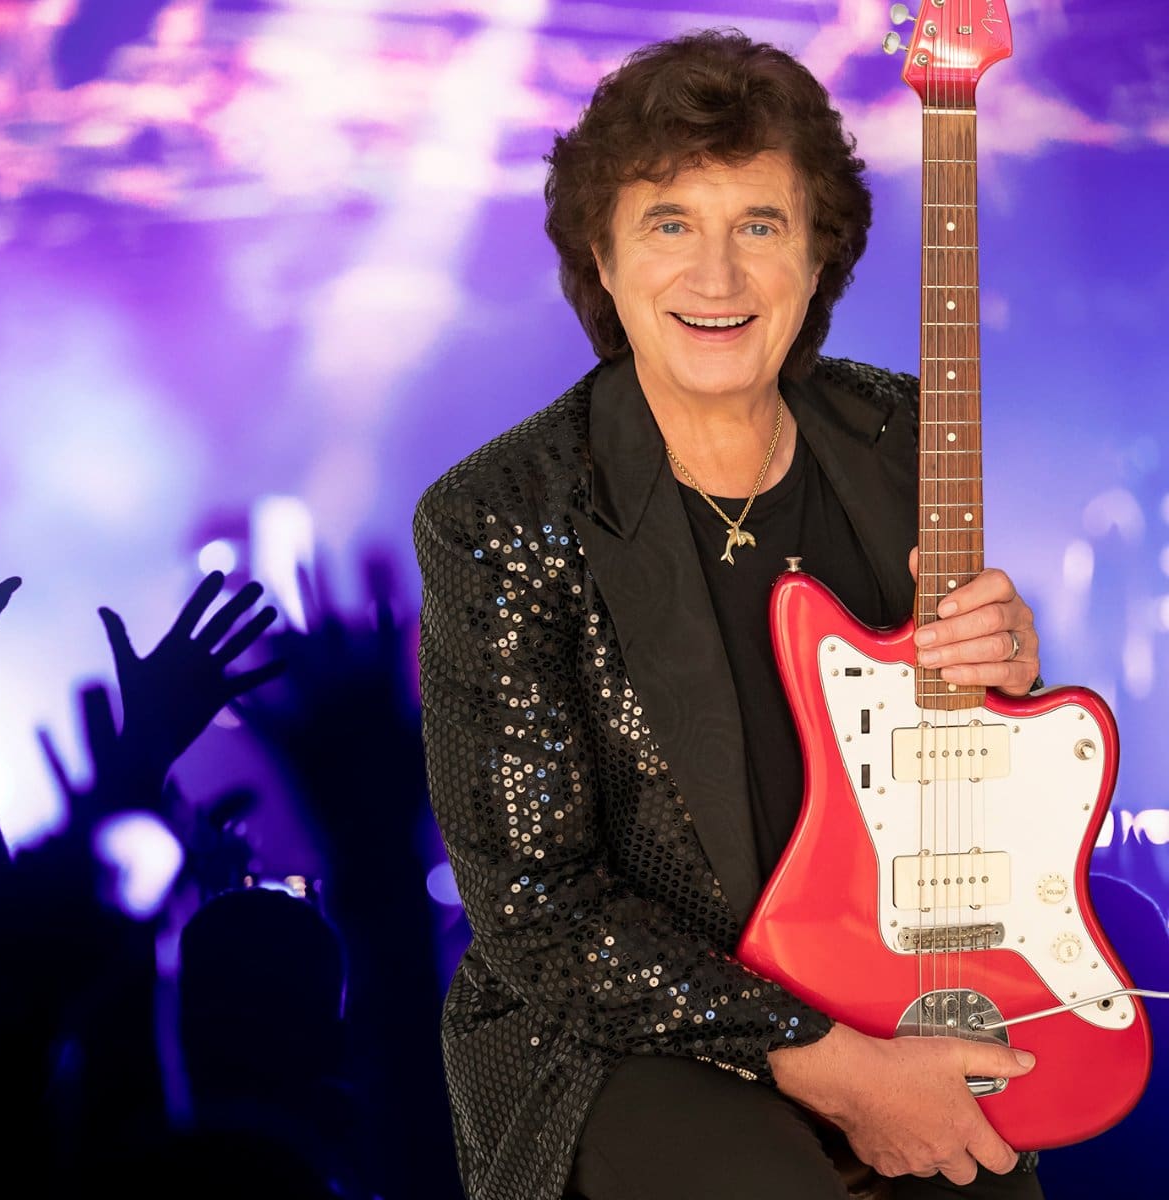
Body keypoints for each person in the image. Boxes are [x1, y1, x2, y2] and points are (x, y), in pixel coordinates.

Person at [414, 30, 1043, 1200]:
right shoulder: (498, 512)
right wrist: (839, 1070)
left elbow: (958, 779)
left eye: (759, 225)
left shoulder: (900, 433)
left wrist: (1005, 683)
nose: (718, 277)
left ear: (817, 256)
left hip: (889, 983)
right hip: (621, 1037)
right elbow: (539, 914)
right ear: (602, 258)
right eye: (669, 224)